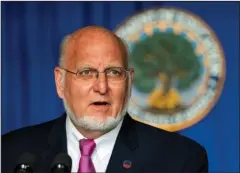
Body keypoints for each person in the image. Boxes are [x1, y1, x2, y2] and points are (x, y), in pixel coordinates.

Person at [2, 26, 208, 173]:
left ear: (129, 82)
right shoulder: (11, 152)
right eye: (86, 72)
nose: (102, 87)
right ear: (60, 82)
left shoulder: (180, 160)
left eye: (114, 73)